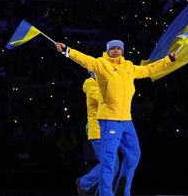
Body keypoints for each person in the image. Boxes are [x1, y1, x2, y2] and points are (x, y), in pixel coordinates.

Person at [55, 40, 176, 196]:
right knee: (110, 161)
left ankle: (122, 191)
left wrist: (169, 60)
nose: (116, 50)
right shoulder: (101, 66)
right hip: (109, 120)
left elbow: (148, 69)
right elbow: (85, 59)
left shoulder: (129, 67)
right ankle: (105, 193)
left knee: (133, 155)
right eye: (113, 48)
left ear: (123, 51)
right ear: (107, 51)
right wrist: (67, 50)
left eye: (119, 48)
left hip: (126, 120)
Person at [76, 71, 118, 196]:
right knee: (111, 165)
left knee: (112, 166)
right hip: (98, 132)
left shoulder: (99, 84)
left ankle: (92, 187)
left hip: (105, 131)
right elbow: (104, 101)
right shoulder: (91, 85)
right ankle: (84, 183)